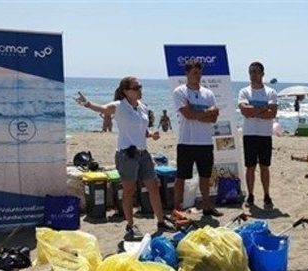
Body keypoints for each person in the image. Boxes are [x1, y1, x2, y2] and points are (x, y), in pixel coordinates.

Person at [74, 76, 173, 238]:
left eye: (140, 86)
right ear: (126, 91)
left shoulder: (141, 106)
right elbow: (105, 109)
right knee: (129, 190)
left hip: (143, 154)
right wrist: (88, 104)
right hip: (127, 155)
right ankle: (130, 225)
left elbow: (140, 130)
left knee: (153, 186)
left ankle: (161, 221)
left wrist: (150, 134)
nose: (140, 90)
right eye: (136, 88)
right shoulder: (120, 106)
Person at [171, 59, 223, 218]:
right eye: (195, 72)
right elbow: (188, 114)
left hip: (205, 142)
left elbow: (214, 119)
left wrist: (198, 113)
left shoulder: (208, 93)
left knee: (205, 176)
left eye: (200, 72)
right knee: (181, 177)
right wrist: (206, 112)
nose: (198, 75)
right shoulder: (180, 92)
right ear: (187, 73)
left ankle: (207, 207)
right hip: (187, 141)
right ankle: (177, 209)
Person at [238, 61, 279, 209]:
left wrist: (254, 110)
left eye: (256, 72)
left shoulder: (270, 92)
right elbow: (245, 112)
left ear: (262, 73)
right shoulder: (244, 92)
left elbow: (272, 114)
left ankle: (267, 194)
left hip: (264, 135)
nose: (253, 75)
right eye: (251, 72)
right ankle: (250, 194)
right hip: (249, 134)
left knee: (264, 167)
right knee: (250, 167)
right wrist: (263, 107)